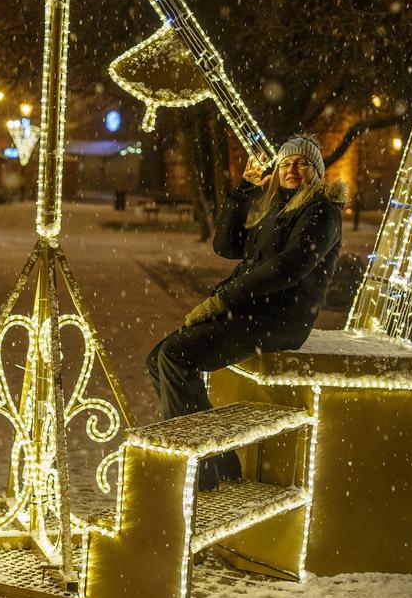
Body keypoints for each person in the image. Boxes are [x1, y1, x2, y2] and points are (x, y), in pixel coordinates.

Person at [146, 133, 346, 489]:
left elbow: (289, 268)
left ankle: (201, 470)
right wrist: (242, 192)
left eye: (301, 163)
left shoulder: (321, 210)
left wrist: (223, 301)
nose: (292, 170)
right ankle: (218, 461)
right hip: (253, 309)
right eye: (285, 163)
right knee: (158, 358)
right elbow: (226, 245)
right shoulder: (280, 208)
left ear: (317, 171)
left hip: (280, 319)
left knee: (177, 356)